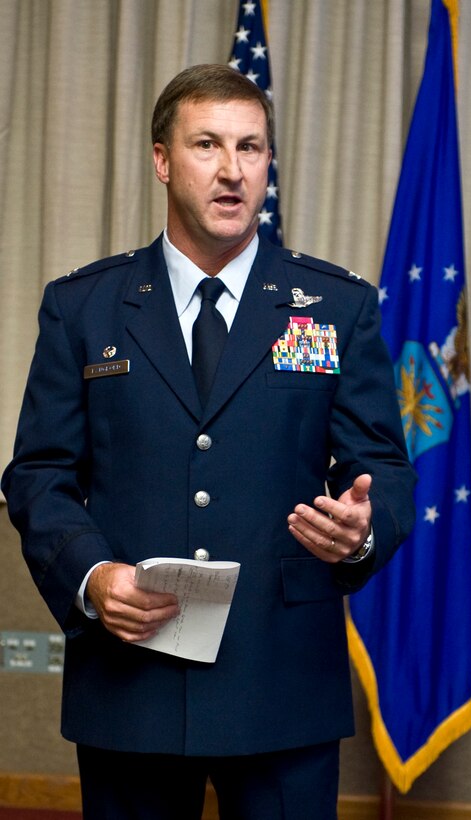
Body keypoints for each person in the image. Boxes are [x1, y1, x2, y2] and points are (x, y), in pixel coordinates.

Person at [2, 64, 415, 820]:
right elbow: (38, 475)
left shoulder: (335, 305)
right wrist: (92, 577)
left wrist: (361, 532)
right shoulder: (84, 307)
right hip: (132, 682)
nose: (232, 170)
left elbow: (382, 467)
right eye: (207, 145)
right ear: (162, 160)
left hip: (280, 684)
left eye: (251, 148)